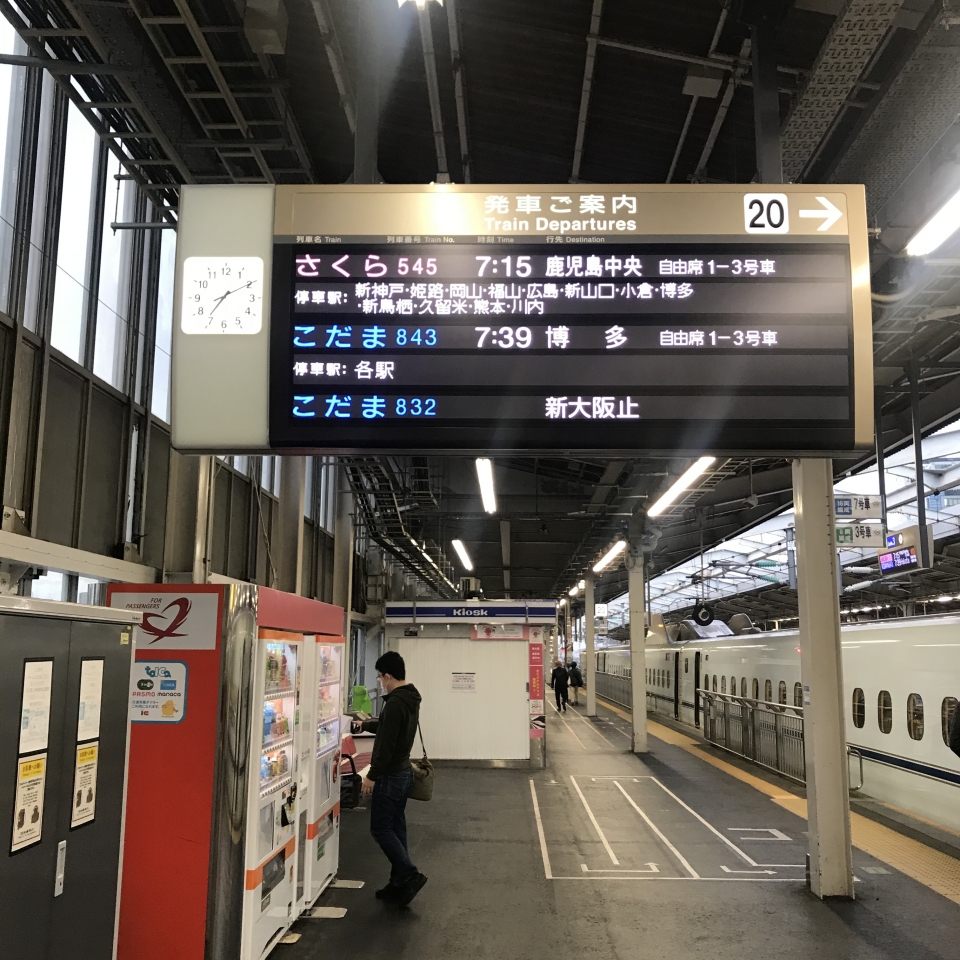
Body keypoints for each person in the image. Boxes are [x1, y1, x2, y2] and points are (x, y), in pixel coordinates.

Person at [357, 651, 427, 906]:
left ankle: (409, 874)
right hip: (403, 772)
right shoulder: (410, 697)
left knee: (381, 828)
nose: (379, 681)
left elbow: (386, 744)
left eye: (379, 677)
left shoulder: (396, 702)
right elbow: (389, 726)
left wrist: (371, 777)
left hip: (390, 775)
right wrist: (364, 725)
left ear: (388, 675)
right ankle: (398, 881)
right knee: (396, 827)